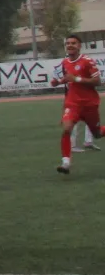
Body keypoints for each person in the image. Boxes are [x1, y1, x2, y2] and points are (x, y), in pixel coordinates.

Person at [55, 35, 101, 176]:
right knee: (66, 129)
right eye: (68, 43)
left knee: (97, 133)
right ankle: (66, 163)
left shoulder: (87, 61)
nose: (70, 45)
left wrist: (77, 79)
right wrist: (59, 82)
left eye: (73, 43)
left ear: (79, 46)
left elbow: (97, 81)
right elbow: (68, 79)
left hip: (89, 104)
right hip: (73, 103)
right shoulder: (65, 62)